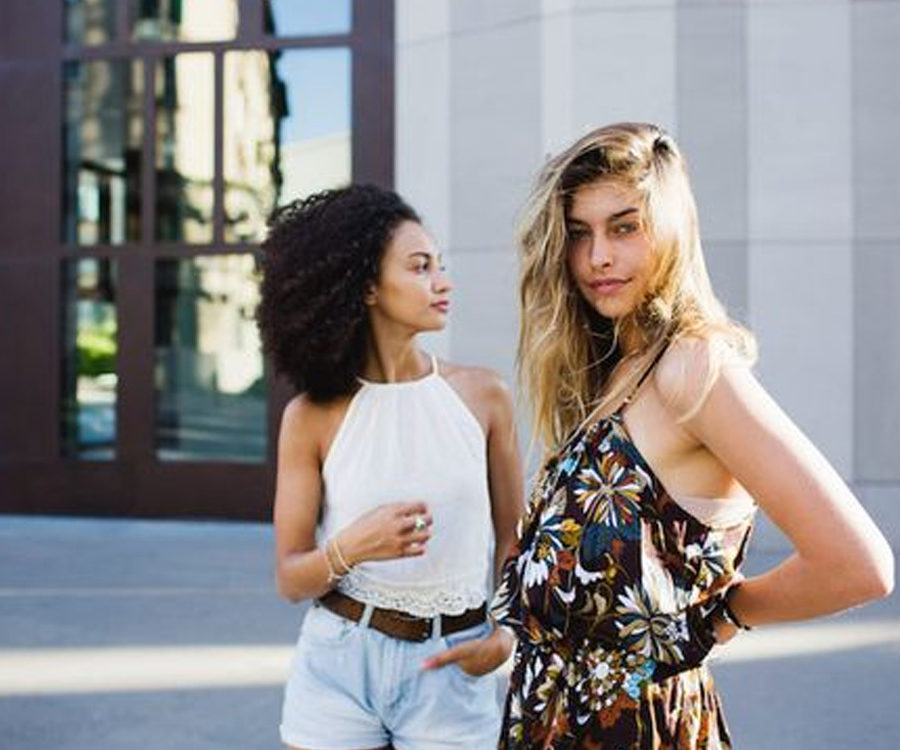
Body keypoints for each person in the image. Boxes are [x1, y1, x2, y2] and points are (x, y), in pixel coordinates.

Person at [491, 122, 895, 748]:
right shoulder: (615, 370)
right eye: (579, 233)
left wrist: (720, 618)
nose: (598, 257)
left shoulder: (692, 367)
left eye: (625, 227)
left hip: (638, 728)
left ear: (671, 230)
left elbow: (857, 564)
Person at [256, 184, 523, 750]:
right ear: (368, 287)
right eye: (421, 267)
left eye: (440, 265)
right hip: (338, 664)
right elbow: (290, 578)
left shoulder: (485, 397)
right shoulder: (311, 416)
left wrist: (506, 634)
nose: (443, 282)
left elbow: (513, 542)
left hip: (453, 666)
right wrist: (353, 547)